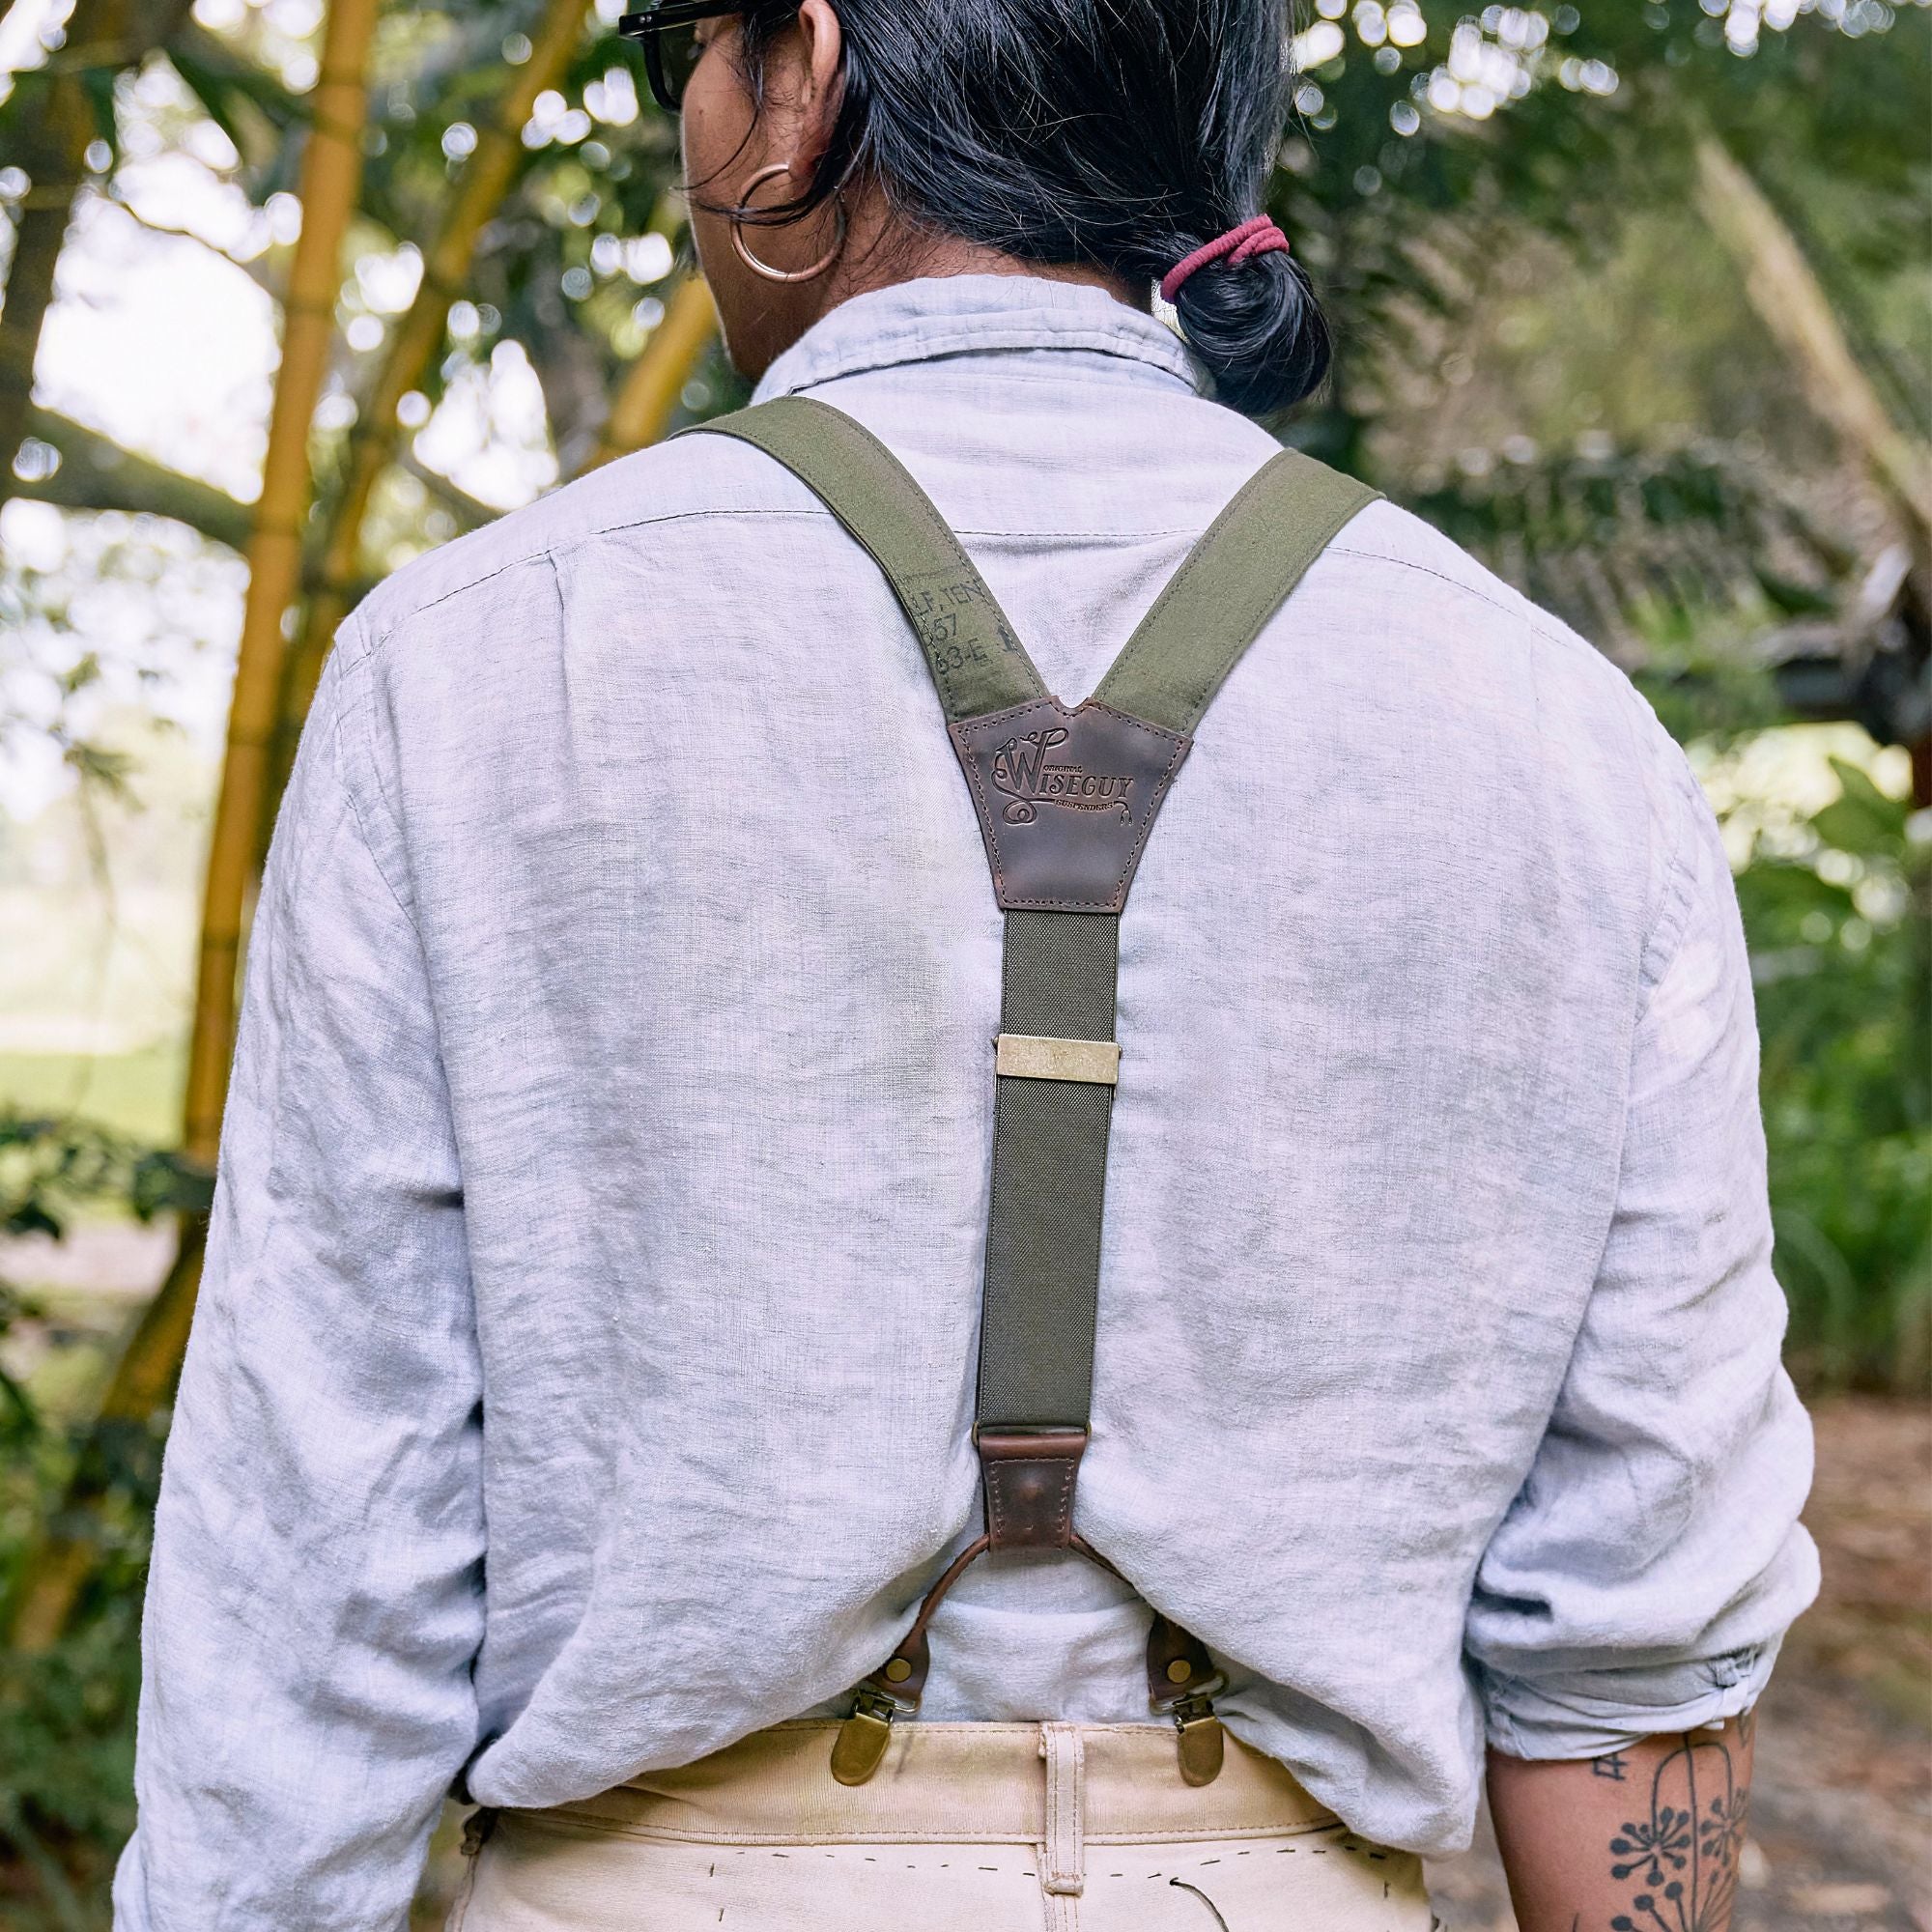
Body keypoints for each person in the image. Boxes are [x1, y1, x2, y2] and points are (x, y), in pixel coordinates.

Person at [115, 2, 1819, 1928]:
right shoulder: (1555, 730)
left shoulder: (483, 664)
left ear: (802, 82)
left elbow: (319, 1576)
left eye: (695, 44)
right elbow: (1640, 1614)